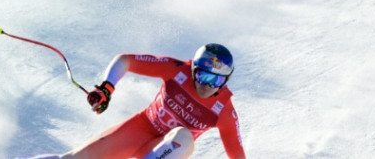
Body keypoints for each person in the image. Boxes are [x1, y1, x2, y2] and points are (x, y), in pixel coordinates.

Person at [30, 43, 246, 159]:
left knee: (183, 136)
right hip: (140, 129)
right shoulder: (175, 70)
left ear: (226, 80)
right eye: (202, 75)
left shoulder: (224, 111)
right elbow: (125, 61)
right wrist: (107, 88)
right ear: (193, 69)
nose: (207, 85)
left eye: (216, 79)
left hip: (169, 151)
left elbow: (237, 155)